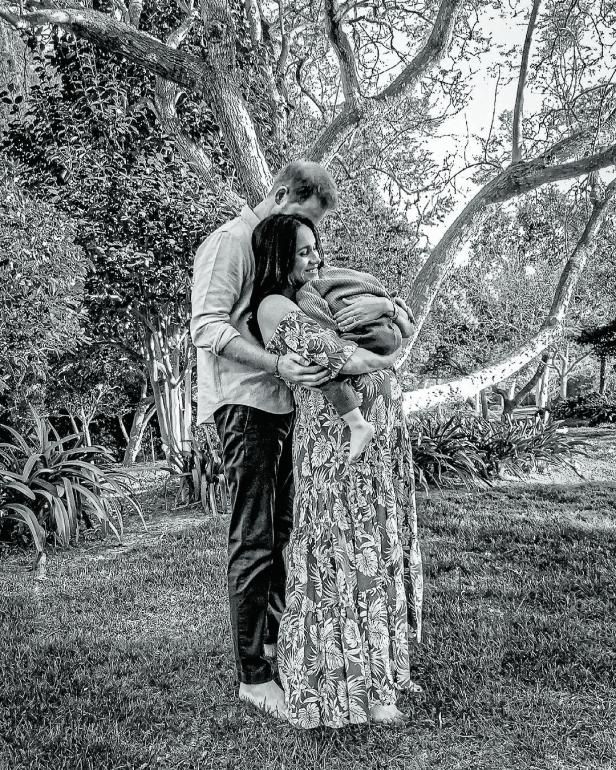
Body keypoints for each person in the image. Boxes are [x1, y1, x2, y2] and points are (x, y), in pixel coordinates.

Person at [190, 160, 402, 719]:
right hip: (245, 405)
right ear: (282, 194)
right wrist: (279, 365)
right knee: (256, 536)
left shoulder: (278, 252)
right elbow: (208, 327)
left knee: (286, 531)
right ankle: (253, 676)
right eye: (304, 220)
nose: (309, 244)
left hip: (285, 405)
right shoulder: (231, 242)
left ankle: (277, 648)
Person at [250, 213, 423, 729]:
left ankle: (383, 673)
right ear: (279, 256)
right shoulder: (274, 305)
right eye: (303, 251)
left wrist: (389, 321)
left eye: (316, 249)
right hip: (334, 448)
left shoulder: (327, 298)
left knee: (377, 546)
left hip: (379, 442)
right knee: (345, 554)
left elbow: (397, 333)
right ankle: (353, 686)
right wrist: (385, 348)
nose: (316, 259)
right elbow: (339, 355)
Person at [295, 264, 414, 462]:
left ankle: (357, 423)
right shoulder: (360, 277)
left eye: (312, 250)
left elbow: (326, 336)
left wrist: (387, 307)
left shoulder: (309, 289)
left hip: (367, 339)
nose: (313, 259)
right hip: (390, 334)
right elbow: (408, 330)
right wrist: (389, 306)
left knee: (322, 363)